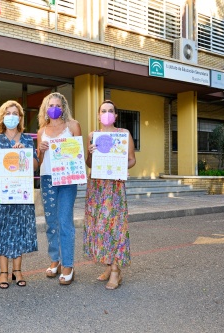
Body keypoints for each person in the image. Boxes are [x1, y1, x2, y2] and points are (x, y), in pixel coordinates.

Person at [0, 101, 39, 289]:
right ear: (2, 117)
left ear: (20, 118)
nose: (11, 116)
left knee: (19, 230)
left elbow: (35, 166)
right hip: (1, 192)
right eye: (8, 113)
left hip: (20, 192)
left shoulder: (27, 140)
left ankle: (17, 270)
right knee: (2, 230)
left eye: (15, 113)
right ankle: (3, 272)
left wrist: (25, 153)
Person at [84, 100, 136, 290]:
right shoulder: (92, 136)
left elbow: (132, 160)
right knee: (100, 226)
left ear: (115, 116)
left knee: (114, 227)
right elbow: (90, 163)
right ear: (98, 116)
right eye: (103, 111)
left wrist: (122, 168)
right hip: (97, 187)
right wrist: (89, 153)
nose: (107, 113)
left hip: (114, 187)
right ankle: (108, 265)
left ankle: (115, 271)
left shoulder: (124, 134)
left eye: (110, 111)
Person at [36, 92, 82, 285]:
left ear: (63, 108)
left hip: (67, 179)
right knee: (51, 222)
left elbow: (78, 154)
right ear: (46, 109)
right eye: (50, 105)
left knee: (64, 220)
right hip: (47, 178)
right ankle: (55, 258)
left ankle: (68, 264)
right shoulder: (41, 131)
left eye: (57, 105)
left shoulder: (73, 126)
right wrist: (41, 150)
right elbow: (38, 162)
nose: (54, 108)